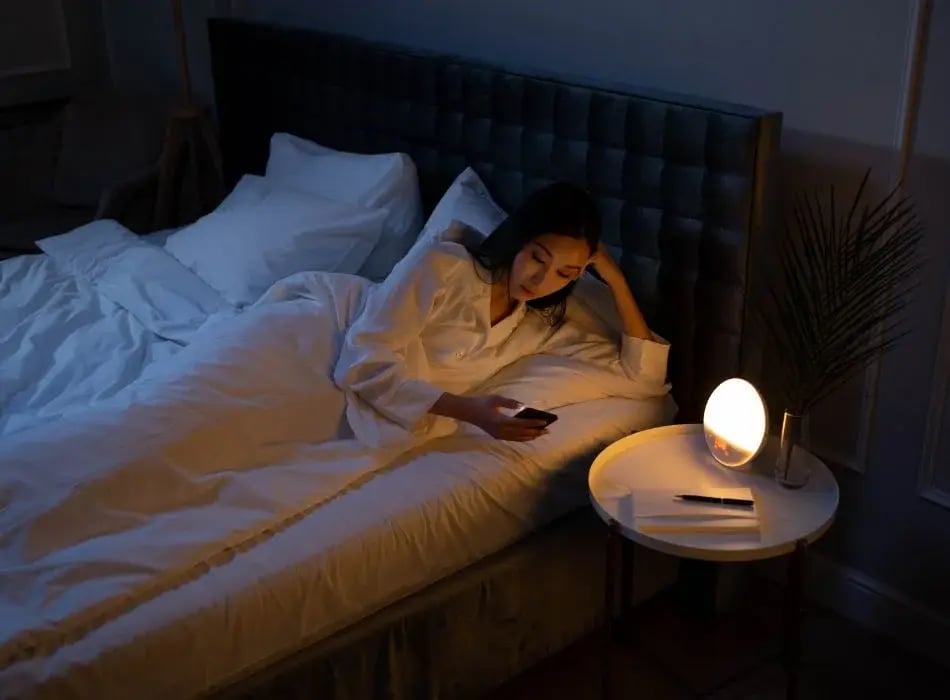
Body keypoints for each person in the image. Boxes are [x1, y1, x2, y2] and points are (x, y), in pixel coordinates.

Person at [333, 182, 670, 447]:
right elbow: (362, 359)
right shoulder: (444, 265)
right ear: (519, 239)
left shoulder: (537, 326)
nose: (541, 281)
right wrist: (470, 411)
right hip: (325, 343)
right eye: (538, 258)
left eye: (565, 274)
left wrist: (616, 279)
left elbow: (645, 378)